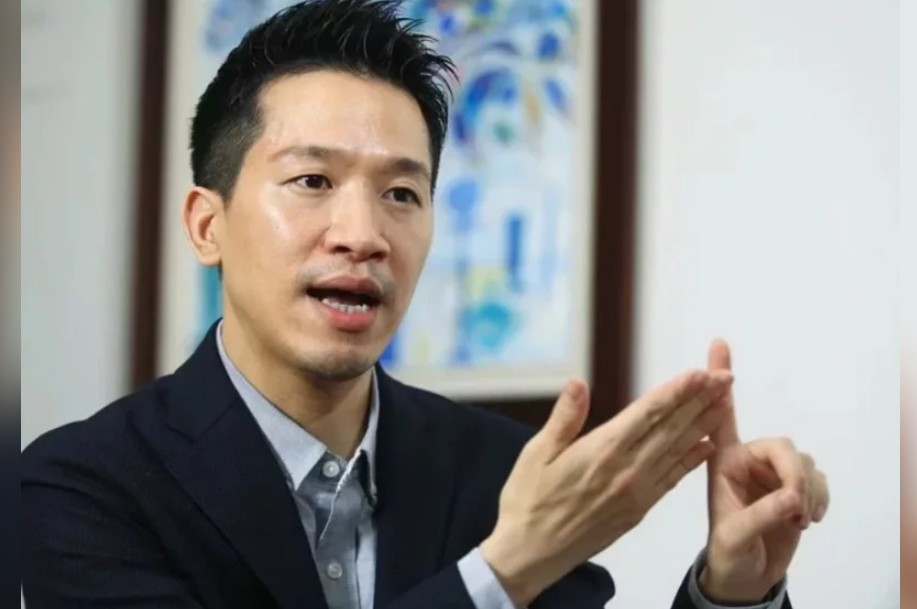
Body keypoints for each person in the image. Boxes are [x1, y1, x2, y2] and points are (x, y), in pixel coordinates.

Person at [20, 2, 829, 608]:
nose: (362, 234)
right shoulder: (83, 485)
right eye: (312, 180)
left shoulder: (502, 471)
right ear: (207, 224)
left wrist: (733, 591)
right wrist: (502, 573)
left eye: (401, 193)